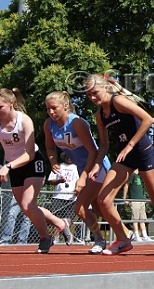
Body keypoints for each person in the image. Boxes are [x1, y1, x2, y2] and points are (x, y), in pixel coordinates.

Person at [84, 74, 154, 255]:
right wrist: (96, 165)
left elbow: (148, 120)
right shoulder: (100, 115)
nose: (93, 98)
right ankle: (123, 239)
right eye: (89, 95)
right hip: (125, 159)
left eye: (95, 93)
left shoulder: (118, 101)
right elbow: (104, 145)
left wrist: (129, 145)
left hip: (143, 154)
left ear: (105, 88)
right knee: (103, 200)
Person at [0, 88, 73, 254]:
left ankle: (45, 238)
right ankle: (61, 223)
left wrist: (7, 166)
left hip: (32, 162)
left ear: (11, 104)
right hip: (13, 166)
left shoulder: (24, 120)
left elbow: (29, 153)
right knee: (27, 207)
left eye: (0, 107)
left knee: (28, 205)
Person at [44, 90, 116, 254]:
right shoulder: (49, 124)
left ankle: (100, 239)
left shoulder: (77, 123)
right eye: (48, 109)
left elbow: (93, 151)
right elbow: (49, 147)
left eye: (54, 108)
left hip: (97, 167)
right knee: (99, 210)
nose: (51, 112)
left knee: (80, 207)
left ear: (65, 106)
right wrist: (53, 161)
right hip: (82, 168)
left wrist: (82, 178)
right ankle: (124, 233)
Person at [47, 153, 79, 243]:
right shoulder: (59, 166)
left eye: (71, 156)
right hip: (59, 196)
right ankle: (55, 238)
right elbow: (50, 180)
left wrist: (78, 189)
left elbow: (81, 181)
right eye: (67, 156)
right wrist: (59, 181)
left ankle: (70, 238)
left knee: (70, 220)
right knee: (56, 218)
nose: (69, 158)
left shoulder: (77, 168)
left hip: (72, 197)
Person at [123, 169, 152, 241]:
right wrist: (124, 198)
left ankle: (145, 235)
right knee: (135, 219)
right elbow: (126, 186)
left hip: (141, 200)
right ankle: (136, 235)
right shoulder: (131, 175)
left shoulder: (139, 176)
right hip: (134, 200)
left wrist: (143, 199)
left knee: (142, 219)